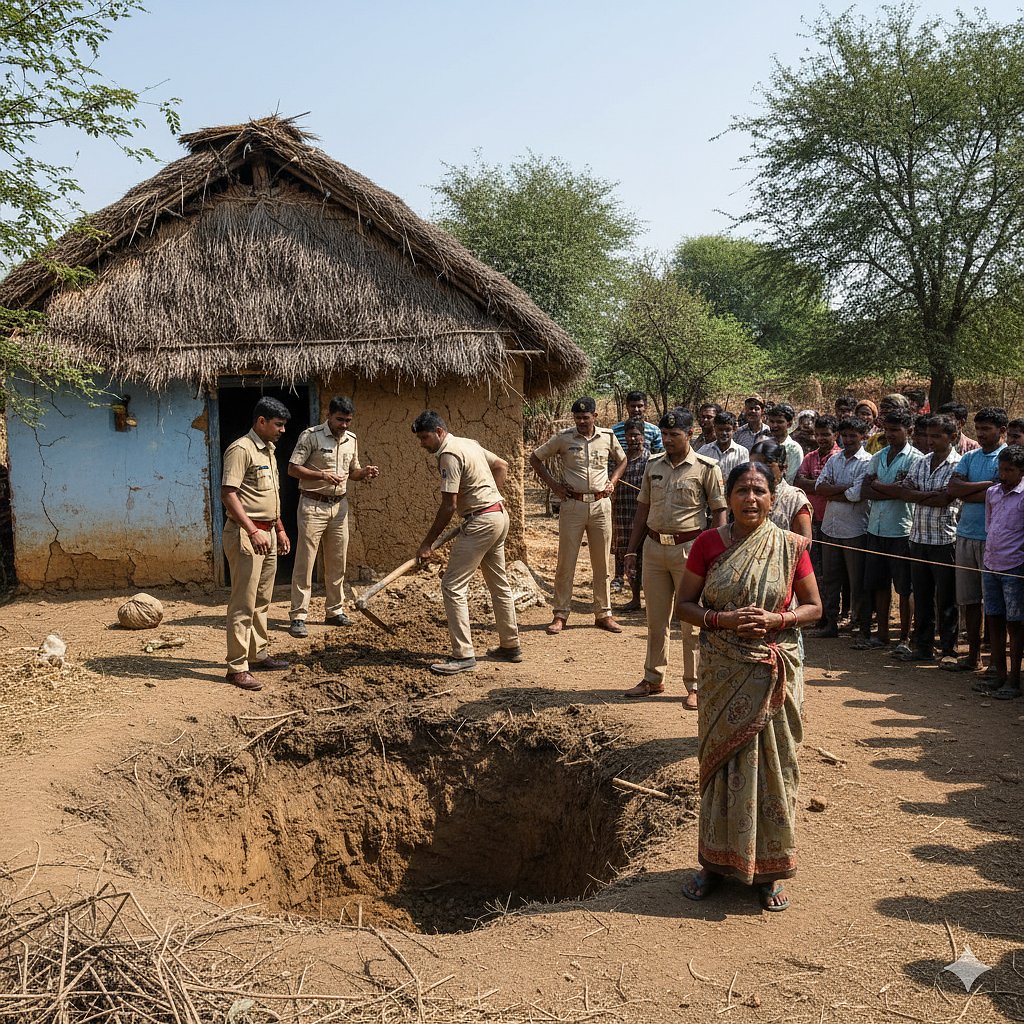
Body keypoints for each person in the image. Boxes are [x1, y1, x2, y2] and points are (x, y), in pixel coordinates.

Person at [675, 462, 822, 912]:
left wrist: (779, 619)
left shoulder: (790, 545)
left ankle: (771, 871)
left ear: (773, 499)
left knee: (776, 767)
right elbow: (685, 605)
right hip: (724, 670)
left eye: (759, 491)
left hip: (773, 668)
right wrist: (722, 620)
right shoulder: (707, 544)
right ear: (728, 495)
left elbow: (815, 607)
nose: (751, 499)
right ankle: (714, 864)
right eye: (742, 490)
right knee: (722, 766)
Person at [622, 410, 727, 707]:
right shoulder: (653, 465)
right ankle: (653, 678)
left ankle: (695, 685)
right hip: (654, 548)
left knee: (691, 623)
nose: (667, 440)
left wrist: (716, 553)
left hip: (690, 549)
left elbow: (719, 511)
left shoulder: (707, 468)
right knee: (656, 620)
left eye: (674, 435)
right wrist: (632, 549)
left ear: (689, 434)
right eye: (665, 435)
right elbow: (642, 509)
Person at [412, 411, 520, 675]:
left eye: (425, 437)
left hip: (482, 521)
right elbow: (501, 465)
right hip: (498, 515)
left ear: (439, 432)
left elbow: (448, 506)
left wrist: (427, 543)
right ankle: (510, 645)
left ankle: (463, 655)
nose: (422, 443)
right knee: (499, 583)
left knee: (452, 586)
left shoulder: (448, 454)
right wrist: (490, 497)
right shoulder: (468, 443)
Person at [530, 396, 627, 634]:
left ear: (595, 416)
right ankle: (560, 614)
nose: (582, 421)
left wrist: (612, 482)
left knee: (602, 561)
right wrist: (555, 487)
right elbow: (535, 458)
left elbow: (623, 460)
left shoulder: (607, 437)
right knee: (566, 561)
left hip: (600, 505)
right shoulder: (564, 438)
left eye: (586, 417)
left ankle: (603, 613)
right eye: (577, 418)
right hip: (572, 505)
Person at [286, 396, 380, 638]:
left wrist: (365, 472)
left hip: (339, 507)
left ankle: (334, 611)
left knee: (338, 561)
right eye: (340, 420)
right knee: (305, 562)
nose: (344, 425)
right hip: (312, 505)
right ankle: (298, 615)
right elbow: (292, 468)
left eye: (348, 420)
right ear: (329, 416)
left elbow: (354, 472)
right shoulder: (311, 436)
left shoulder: (352, 440)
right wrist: (322, 476)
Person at [220, 397, 293, 691]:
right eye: (278, 424)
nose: (283, 430)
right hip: (247, 534)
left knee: (263, 599)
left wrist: (280, 529)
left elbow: (268, 496)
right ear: (261, 422)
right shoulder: (241, 449)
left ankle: (258, 653)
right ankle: (237, 667)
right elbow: (229, 493)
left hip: (269, 534)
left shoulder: (269, 451)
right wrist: (252, 530)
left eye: (284, 425)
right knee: (243, 602)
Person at [945, 408, 1008, 672]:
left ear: (1002, 431)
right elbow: (953, 489)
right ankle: (973, 657)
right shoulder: (969, 456)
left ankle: (996, 661)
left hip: (993, 539)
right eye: (978, 429)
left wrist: (969, 489)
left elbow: (998, 491)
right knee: (969, 601)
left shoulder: (1007, 458)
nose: (981, 434)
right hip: (965, 534)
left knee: (994, 603)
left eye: (987, 429)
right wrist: (986, 486)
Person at [855, 409, 921, 654]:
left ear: (909, 431)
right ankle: (881, 634)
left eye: (896, 430)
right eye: (888, 430)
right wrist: (890, 489)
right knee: (879, 584)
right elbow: (865, 490)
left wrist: (880, 487)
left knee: (904, 587)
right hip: (876, 528)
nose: (890, 435)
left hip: (901, 529)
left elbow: (904, 492)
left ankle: (904, 637)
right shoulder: (879, 456)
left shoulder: (916, 458)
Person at [897, 414, 961, 663]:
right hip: (919, 537)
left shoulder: (959, 464)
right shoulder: (922, 462)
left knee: (946, 598)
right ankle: (923, 647)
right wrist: (928, 495)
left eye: (937, 436)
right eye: (928, 435)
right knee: (922, 596)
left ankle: (948, 649)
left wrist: (919, 495)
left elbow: (946, 498)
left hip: (945, 539)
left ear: (952, 437)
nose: (930, 440)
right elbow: (905, 492)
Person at [807, 417, 871, 638]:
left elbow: (856, 495)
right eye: (846, 435)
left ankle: (861, 626)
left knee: (857, 581)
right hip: (830, 527)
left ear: (863, 436)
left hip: (855, 529)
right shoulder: (835, 460)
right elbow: (819, 487)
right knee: (831, 578)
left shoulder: (867, 461)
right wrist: (842, 490)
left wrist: (834, 491)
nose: (849, 439)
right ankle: (830, 623)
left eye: (854, 435)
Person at [977, 445, 1024, 699]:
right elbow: (990, 526)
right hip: (991, 564)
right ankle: (999, 673)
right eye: (1001, 469)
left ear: (1021, 471)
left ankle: (1015, 680)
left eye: (1010, 470)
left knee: (1015, 624)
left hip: (1014, 567)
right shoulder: (992, 493)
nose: (1004, 475)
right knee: (994, 618)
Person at [794, 415, 840, 580]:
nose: (821, 438)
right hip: (812, 519)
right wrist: (821, 486)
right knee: (812, 562)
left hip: (832, 520)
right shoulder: (810, 457)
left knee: (831, 567)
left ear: (835, 435)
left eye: (826, 434)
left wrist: (821, 487)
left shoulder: (839, 458)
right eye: (818, 434)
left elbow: (832, 488)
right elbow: (799, 482)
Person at [612, 418, 650, 611]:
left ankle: (651, 599)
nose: (633, 438)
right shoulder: (621, 461)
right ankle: (635, 599)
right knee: (628, 554)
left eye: (637, 435)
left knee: (646, 557)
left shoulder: (651, 461)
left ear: (643, 437)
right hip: (623, 515)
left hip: (645, 517)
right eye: (630, 435)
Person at [750, 441, 813, 538]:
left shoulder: (795, 499)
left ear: (783, 467)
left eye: (767, 465)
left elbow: (804, 543)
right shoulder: (746, 495)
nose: (759, 471)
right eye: (754, 466)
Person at [697, 411, 747, 482]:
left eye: (727, 430)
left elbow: (743, 478)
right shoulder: (704, 451)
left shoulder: (742, 452)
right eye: (720, 429)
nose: (724, 433)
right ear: (714, 428)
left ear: (734, 429)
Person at [611, 390, 663, 456]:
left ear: (645, 407)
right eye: (633, 406)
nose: (636, 409)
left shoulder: (654, 431)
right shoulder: (614, 431)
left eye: (639, 406)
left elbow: (659, 456)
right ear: (627, 406)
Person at [765, 403, 804, 483]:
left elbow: (791, 479)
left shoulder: (794, 449)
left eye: (779, 422)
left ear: (789, 424)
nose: (774, 425)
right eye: (771, 421)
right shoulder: (763, 444)